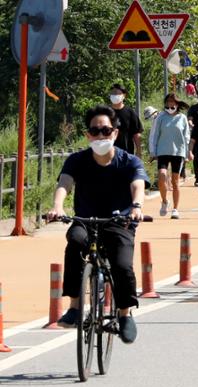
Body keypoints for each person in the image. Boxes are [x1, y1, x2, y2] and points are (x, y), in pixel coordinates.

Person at [46, 105, 150, 344]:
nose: (100, 135)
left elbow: (138, 185)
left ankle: (125, 314)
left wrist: (136, 207)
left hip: (119, 221)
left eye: (106, 130)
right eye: (95, 131)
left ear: (115, 132)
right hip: (86, 220)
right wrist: (58, 207)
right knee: (75, 242)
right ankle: (74, 306)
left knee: (122, 265)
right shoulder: (77, 160)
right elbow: (64, 183)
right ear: (88, 135)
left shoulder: (129, 161)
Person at [148, 93, 191, 219]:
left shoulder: (182, 118)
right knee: (162, 175)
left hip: (178, 152)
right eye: (168, 101)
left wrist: (188, 152)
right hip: (162, 151)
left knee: (175, 181)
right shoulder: (160, 117)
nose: (170, 104)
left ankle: (175, 209)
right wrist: (152, 151)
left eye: (173, 102)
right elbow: (154, 134)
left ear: (177, 104)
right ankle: (165, 201)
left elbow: (186, 136)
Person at [109, 83, 143, 157]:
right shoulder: (105, 113)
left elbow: (136, 134)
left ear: (124, 95)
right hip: (108, 153)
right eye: (113, 93)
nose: (114, 95)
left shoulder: (130, 112)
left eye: (117, 93)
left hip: (126, 153)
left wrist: (139, 151)